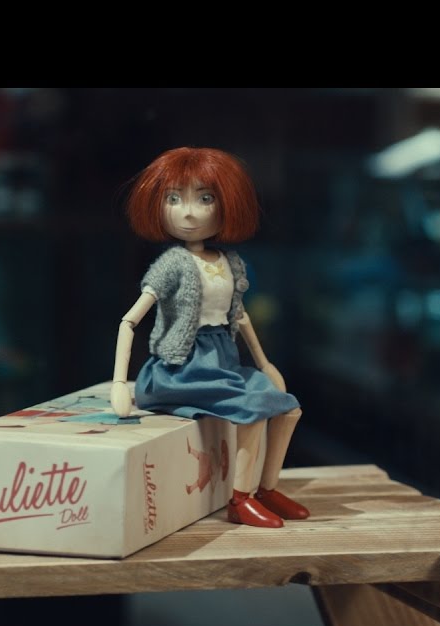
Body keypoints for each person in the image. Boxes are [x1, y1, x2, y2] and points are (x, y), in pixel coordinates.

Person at [109, 147, 309, 528]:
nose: (188, 212)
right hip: (182, 369)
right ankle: (240, 498)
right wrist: (120, 382)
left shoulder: (229, 262)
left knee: (289, 409)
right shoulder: (173, 264)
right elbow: (129, 321)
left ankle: (267, 487)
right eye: (174, 199)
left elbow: (239, 315)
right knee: (253, 411)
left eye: (204, 199)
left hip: (222, 362)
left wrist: (264, 363)